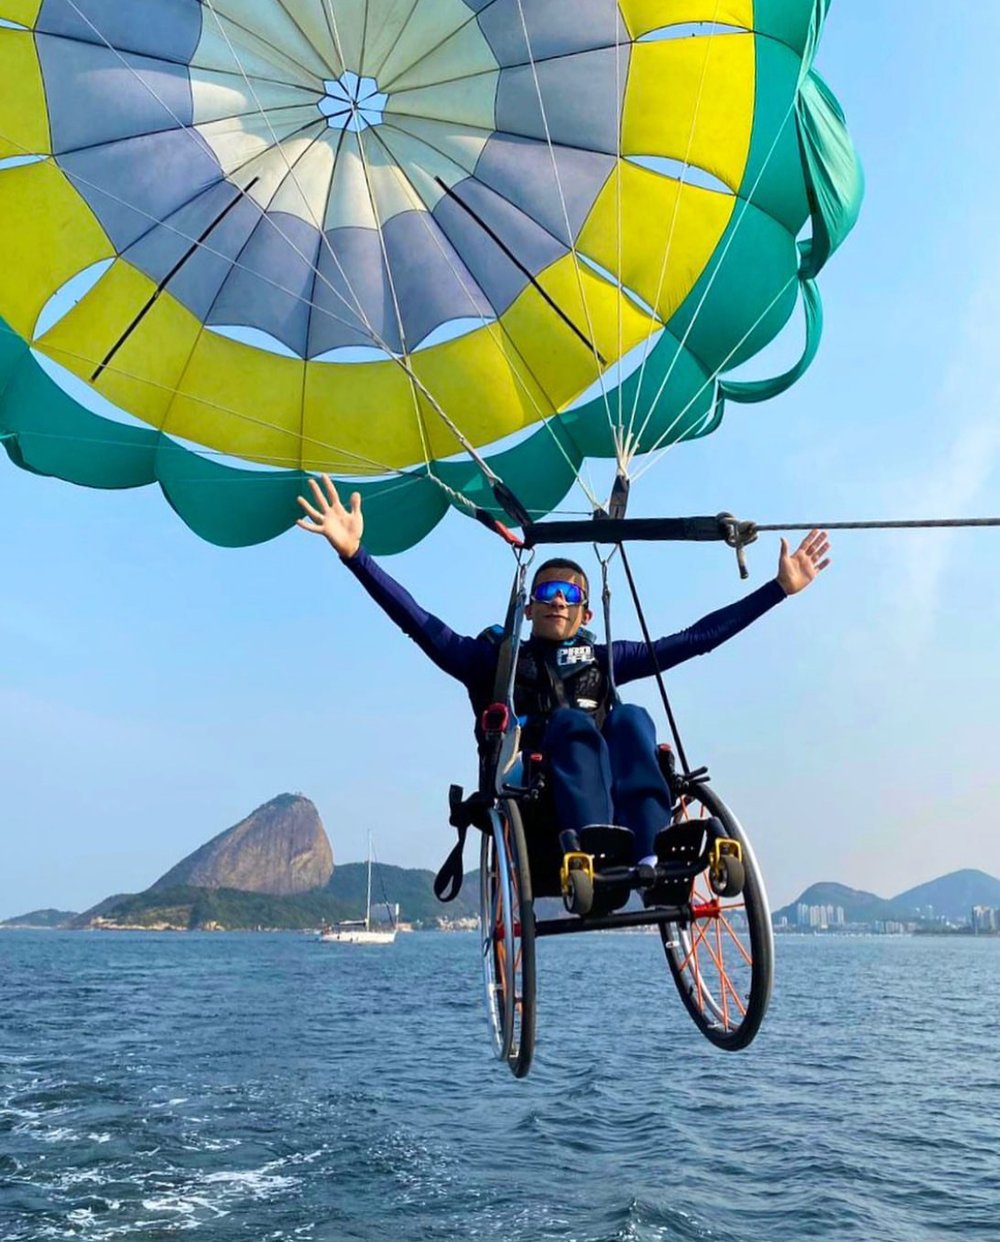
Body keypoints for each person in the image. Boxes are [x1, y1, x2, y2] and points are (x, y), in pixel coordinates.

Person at [297, 475, 829, 872]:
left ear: (585, 613)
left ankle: (651, 852)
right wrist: (356, 555)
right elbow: (420, 624)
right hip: (539, 805)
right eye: (547, 593)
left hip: (614, 794)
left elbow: (694, 641)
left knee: (633, 719)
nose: (558, 601)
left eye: (570, 594)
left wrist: (777, 590)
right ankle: (595, 846)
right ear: (528, 607)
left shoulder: (604, 659)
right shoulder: (496, 661)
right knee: (572, 725)